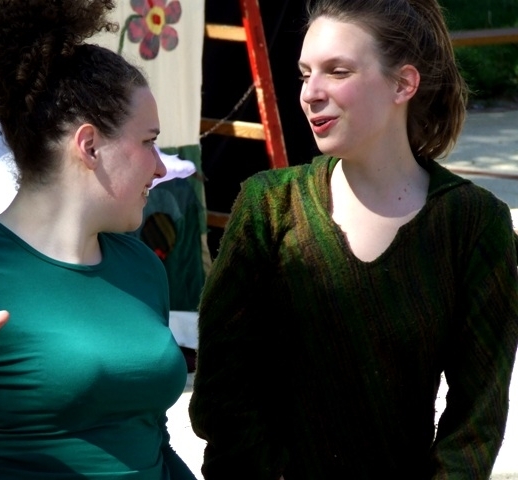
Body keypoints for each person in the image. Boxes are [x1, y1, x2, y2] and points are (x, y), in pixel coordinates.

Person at [188, 0, 518, 478]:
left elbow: (477, 422)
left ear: (403, 84)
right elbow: (221, 394)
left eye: (337, 71)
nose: (310, 93)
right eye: (304, 74)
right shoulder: (268, 207)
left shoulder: (472, 224)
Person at [0, 0, 198, 478]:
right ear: (89, 145)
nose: (158, 167)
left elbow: (150, 438)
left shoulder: (142, 267)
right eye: (148, 141)